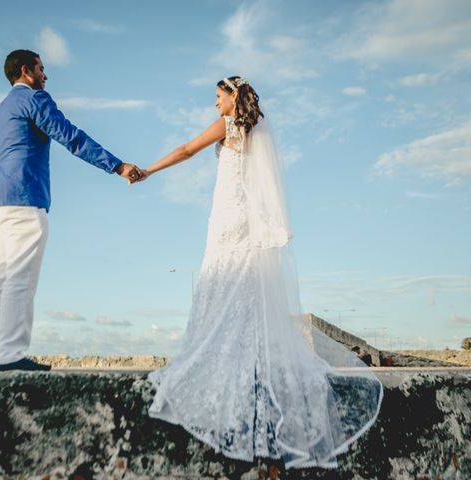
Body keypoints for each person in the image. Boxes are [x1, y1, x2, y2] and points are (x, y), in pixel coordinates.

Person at [143, 76, 383, 469]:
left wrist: (149, 170)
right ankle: (250, 361)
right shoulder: (258, 130)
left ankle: (217, 357)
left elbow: (187, 149)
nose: (215, 105)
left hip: (228, 215)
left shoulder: (229, 125)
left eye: (218, 97)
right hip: (248, 218)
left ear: (233, 96)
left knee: (221, 280)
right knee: (245, 288)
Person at [0, 50, 145, 372]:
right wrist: (117, 166)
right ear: (26, 71)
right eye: (41, 69)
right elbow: (71, 137)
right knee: (19, 276)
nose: (45, 76)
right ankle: (10, 354)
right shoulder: (35, 99)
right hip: (22, 195)